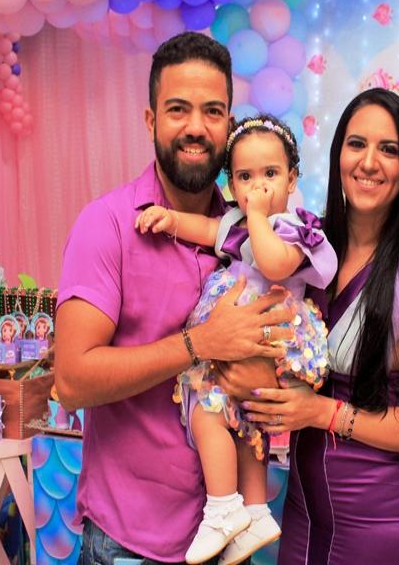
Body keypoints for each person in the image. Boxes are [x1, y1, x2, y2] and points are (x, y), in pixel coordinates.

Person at [54, 32, 291, 565]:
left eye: (213, 111)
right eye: (178, 109)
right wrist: (199, 343)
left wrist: (264, 378)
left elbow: (281, 356)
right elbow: (71, 381)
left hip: (229, 542)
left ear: (229, 124)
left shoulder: (256, 239)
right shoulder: (108, 225)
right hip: (129, 543)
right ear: (151, 120)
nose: (196, 127)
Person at [233, 88, 399, 564]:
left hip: (385, 529)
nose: (369, 162)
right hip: (303, 519)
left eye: (388, 149)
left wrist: (322, 413)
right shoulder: (305, 248)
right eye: (357, 144)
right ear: (338, 155)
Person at [134, 114, 337, 564]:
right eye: (245, 177)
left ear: (292, 179)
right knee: (243, 420)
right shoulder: (238, 222)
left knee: (206, 407)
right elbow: (208, 231)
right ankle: (256, 510)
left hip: (269, 331)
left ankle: (222, 505)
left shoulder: (293, 229)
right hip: (238, 330)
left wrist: (259, 217)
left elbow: (274, 264)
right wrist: (171, 220)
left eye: (270, 174)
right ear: (231, 182)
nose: (257, 187)